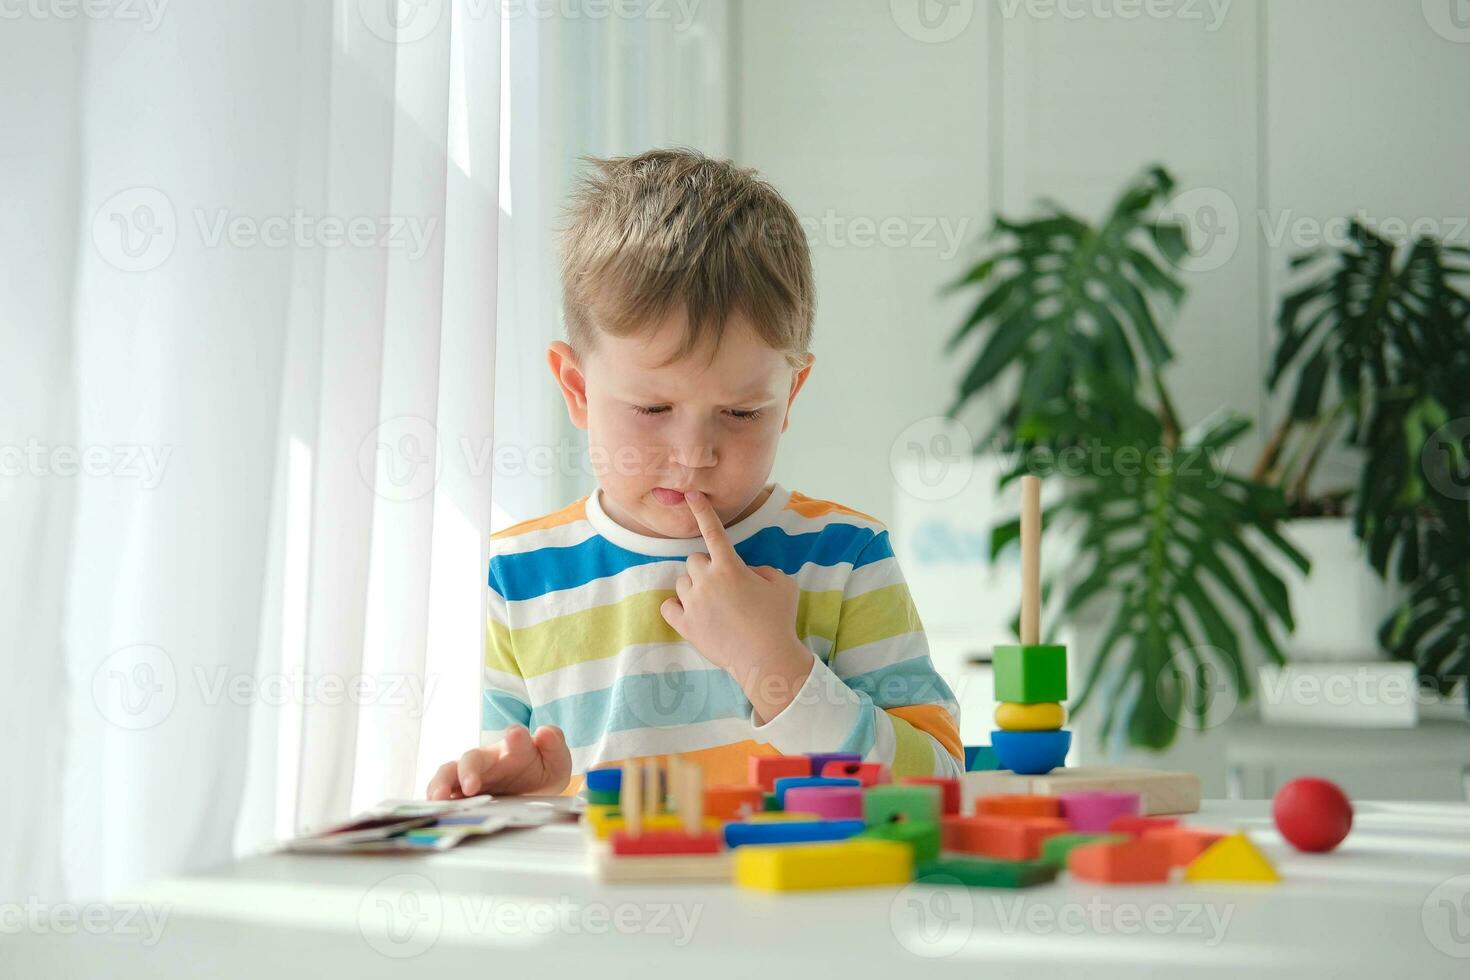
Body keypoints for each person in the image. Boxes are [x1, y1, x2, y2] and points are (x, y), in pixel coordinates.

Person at [427, 148, 962, 800]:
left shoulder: (845, 559)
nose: (693, 453)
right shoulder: (522, 572)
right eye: (653, 408)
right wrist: (515, 796)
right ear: (577, 389)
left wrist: (775, 666)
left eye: (740, 412)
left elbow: (938, 786)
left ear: (789, 395)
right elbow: (524, 797)